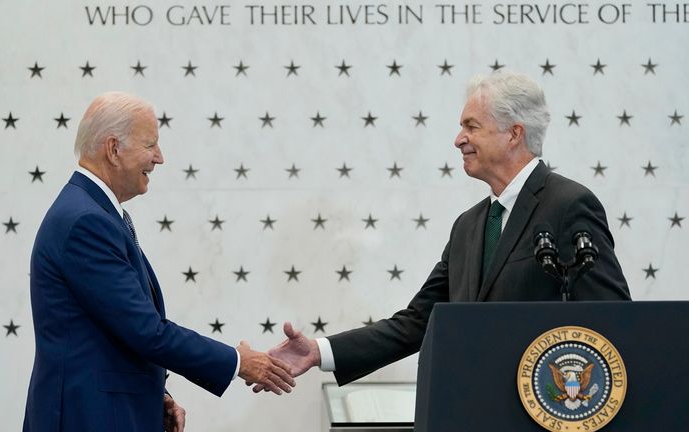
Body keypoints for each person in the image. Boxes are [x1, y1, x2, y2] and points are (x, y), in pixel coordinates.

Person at [258, 71, 631, 388]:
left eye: (472, 126)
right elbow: (419, 322)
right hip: (472, 410)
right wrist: (320, 351)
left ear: (514, 134)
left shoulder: (568, 205)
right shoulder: (469, 226)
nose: (459, 139)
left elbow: (614, 318)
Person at [23, 91, 294, 432]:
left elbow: (113, 331)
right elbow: (145, 330)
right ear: (113, 149)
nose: (160, 158)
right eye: (150, 144)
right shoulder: (85, 222)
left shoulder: (94, 212)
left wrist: (155, 394)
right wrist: (238, 362)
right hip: (88, 417)